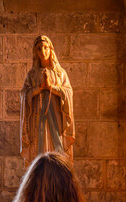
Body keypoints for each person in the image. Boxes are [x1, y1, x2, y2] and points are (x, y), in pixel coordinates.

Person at [19, 35, 74, 167]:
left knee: (58, 155)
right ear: (35, 52)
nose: (43, 52)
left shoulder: (60, 73)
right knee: (39, 154)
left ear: (51, 49)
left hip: (56, 122)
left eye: (45, 47)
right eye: (39, 49)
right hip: (37, 123)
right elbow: (24, 95)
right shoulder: (32, 75)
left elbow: (68, 93)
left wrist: (52, 88)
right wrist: (38, 89)